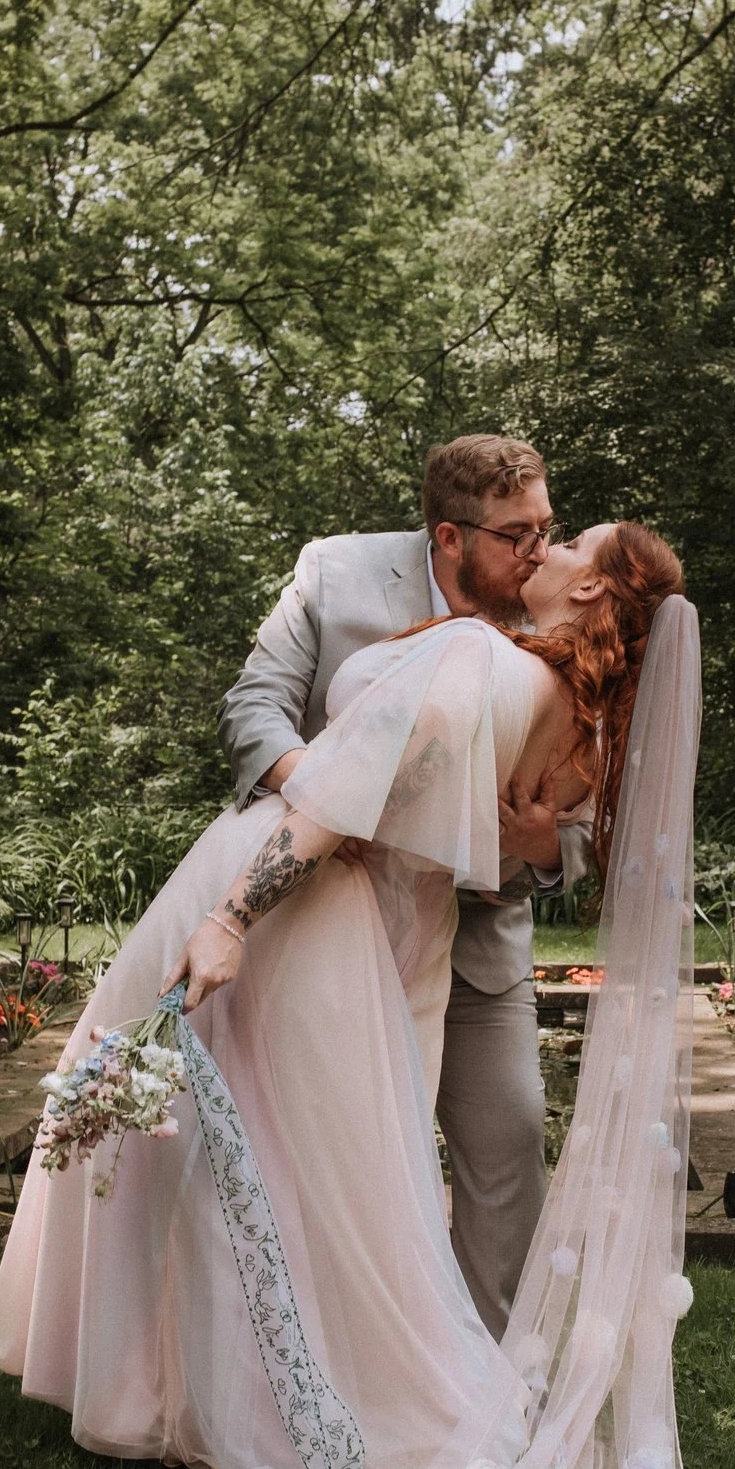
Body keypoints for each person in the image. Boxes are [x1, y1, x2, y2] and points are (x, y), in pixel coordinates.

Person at [0, 516, 735, 1469]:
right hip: (385, 928)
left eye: (571, 545)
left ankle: (239, 1410)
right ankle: (211, 1401)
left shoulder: (479, 659)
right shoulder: (582, 724)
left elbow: (336, 808)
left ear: (599, 594)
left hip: (303, 913)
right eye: (537, 532)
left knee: (251, 1160)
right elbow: (446, 822)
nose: (546, 549)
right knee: (301, 1172)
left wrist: (224, 921)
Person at [216, 434, 593, 1337]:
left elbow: (584, 812)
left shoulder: (558, 607)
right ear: (450, 536)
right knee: (324, 1160)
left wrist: (548, 848)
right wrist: (325, 793)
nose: (541, 551)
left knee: (507, 1151)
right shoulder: (336, 573)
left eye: (550, 526)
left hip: (476, 935)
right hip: (327, 914)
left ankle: (496, 1382)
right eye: (517, 533)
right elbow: (253, 706)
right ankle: (311, 1363)